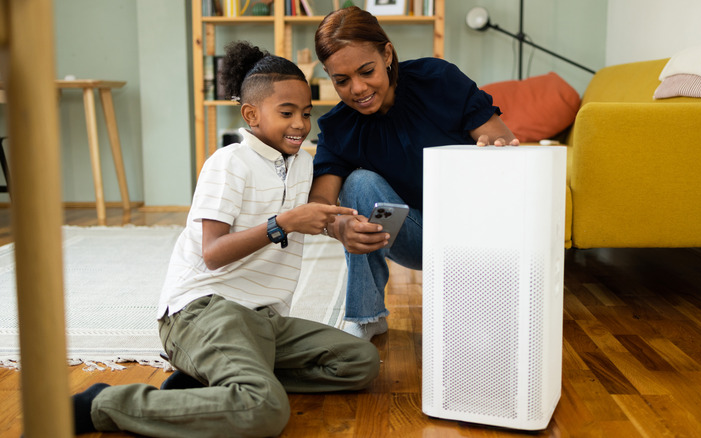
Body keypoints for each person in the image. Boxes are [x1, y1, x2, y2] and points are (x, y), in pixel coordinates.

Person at [69, 41, 380, 438]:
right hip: (205, 310)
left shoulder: (304, 163)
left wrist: (343, 230)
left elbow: (309, 219)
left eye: (306, 113)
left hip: (264, 319)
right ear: (251, 114)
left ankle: (209, 387)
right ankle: (104, 403)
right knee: (263, 409)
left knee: (359, 362)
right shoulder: (228, 163)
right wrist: (282, 222)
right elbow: (213, 254)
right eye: (286, 113)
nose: (301, 124)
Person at [309, 6, 520, 340]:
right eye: (342, 80)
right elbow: (319, 204)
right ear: (327, 74)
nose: (358, 88)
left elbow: (504, 145)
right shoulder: (339, 127)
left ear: (387, 53)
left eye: (367, 71)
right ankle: (367, 317)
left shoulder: (438, 80)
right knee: (359, 183)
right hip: (415, 236)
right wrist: (339, 226)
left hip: (474, 231)